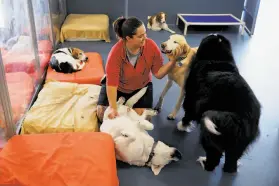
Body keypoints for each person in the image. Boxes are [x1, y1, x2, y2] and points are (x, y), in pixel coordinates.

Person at [97, 16, 181, 122]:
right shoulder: (115, 53)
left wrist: (173, 61)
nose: (145, 38)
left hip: (141, 87)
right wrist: (113, 108)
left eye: (145, 34)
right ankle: (106, 83)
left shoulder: (151, 46)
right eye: (140, 36)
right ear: (128, 38)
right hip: (119, 87)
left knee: (144, 119)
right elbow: (112, 85)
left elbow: (158, 74)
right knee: (102, 114)